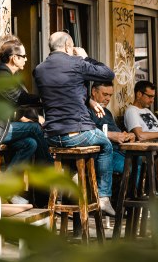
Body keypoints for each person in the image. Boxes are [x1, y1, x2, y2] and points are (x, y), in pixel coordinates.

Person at [33, 31, 117, 216]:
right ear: (68, 46)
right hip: (77, 133)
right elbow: (108, 74)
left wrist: (89, 101)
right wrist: (87, 57)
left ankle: (74, 183)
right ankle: (103, 197)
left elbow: (63, 91)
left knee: (75, 161)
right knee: (106, 145)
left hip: (53, 137)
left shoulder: (39, 69)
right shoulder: (77, 62)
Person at [0, 38, 51, 204]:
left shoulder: (0, 72)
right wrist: (48, 98)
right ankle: (49, 175)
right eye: (23, 56)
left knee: (30, 143)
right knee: (35, 129)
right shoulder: (0, 75)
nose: (26, 59)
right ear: (14, 58)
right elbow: (20, 98)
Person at [89, 81, 135, 176]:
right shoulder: (87, 110)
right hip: (103, 153)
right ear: (94, 91)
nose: (108, 99)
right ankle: (129, 191)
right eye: (105, 94)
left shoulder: (107, 112)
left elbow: (116, 132)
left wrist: (127, 135)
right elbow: (86, 133)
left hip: (120, 149)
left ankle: (134, 191)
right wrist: (110, 135)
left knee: (141, 161)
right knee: (130, 167)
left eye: (110, 95)